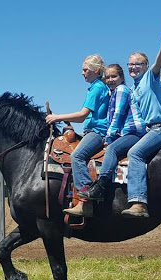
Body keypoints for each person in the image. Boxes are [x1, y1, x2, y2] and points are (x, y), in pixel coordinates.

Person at [45, 54, 109, 217]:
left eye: (85, 69)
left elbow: (82, 116)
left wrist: (57, 117)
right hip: (93, 130)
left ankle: (85, 198)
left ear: (95, 70)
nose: (82, 73)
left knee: (77, 156)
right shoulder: (98, 87)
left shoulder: (97, 88)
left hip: (98, 132)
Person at [121, 30, 161, 218]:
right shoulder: (131, 88)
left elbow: (158, 63)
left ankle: (138, 202)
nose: (133, 67)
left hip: (160, 128)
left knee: (135, 153)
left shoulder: (150, 79)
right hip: (144, 131)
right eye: (130, 64)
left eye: (138, 64)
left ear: (145, 66)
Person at [78, 64, 146, 203]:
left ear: (121, 77)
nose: (110, 80)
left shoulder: (121, 90)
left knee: (111, 149)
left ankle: (100, 185)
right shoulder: (114, 92)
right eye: (107, 77)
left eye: (114, 76)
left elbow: (118, 115)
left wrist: (109, 137)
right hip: (126, 132)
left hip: (133, 130)